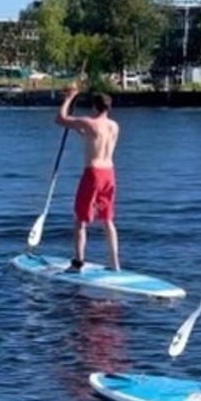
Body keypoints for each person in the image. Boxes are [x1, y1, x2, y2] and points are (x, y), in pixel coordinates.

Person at [55, 82, 121, 272]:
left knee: (80, 220)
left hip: (93, 174)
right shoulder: (114, 126)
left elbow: (60, 119)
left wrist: (69, 98)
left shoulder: (89, 122)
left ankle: (78, 263)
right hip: (109, 174)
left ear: (95, 107)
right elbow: (96, 141)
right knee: (107, 220)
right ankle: (115, 264)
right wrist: (80, 131)